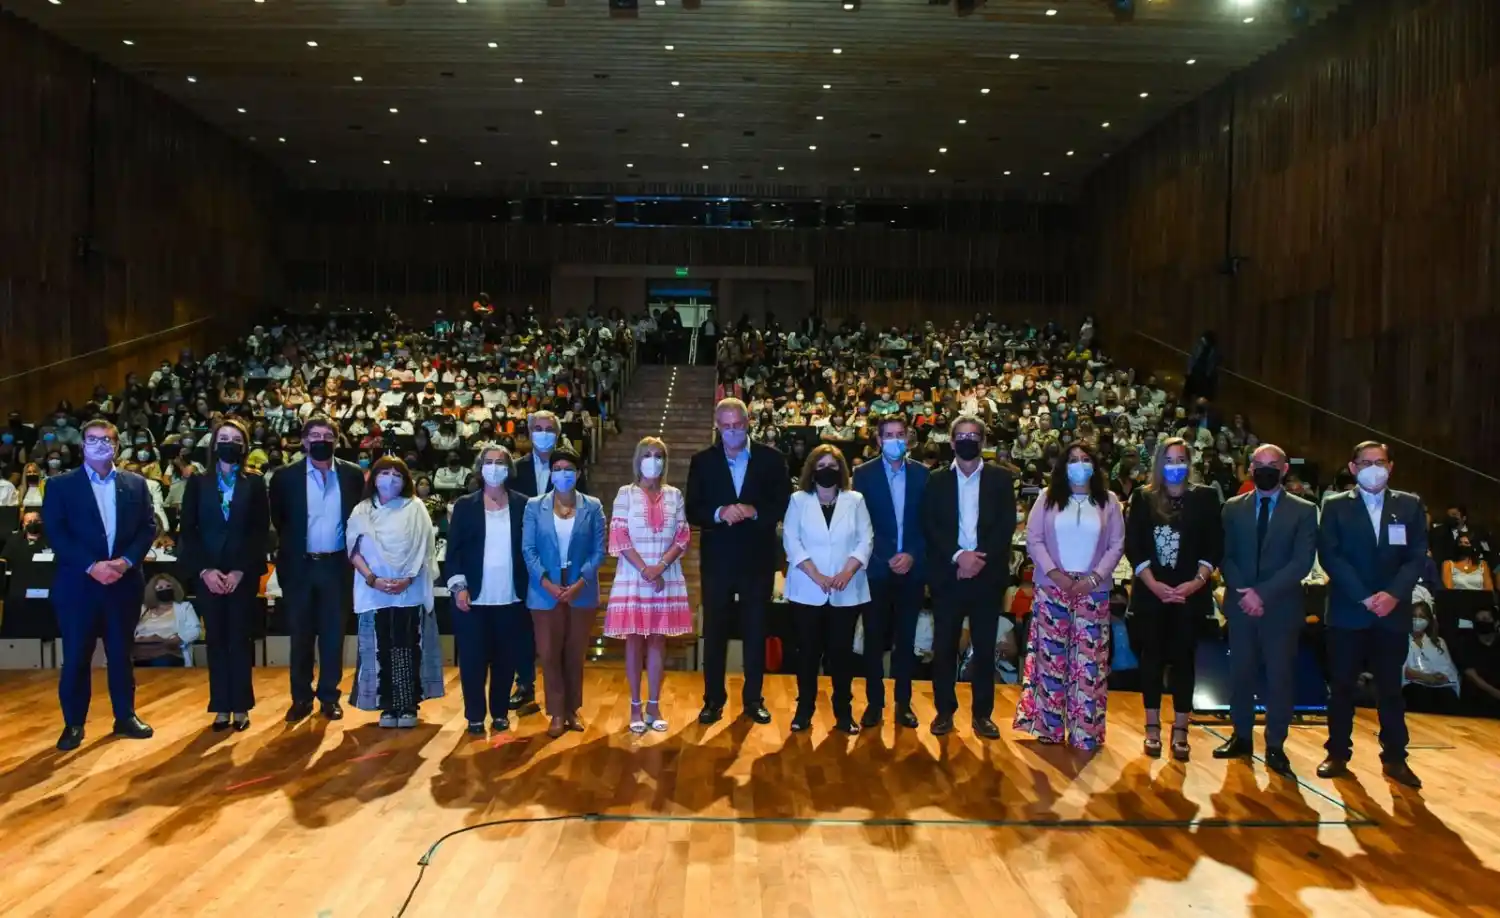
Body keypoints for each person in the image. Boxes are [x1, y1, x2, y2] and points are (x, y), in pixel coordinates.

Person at [1316, 441, 1428, 788]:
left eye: (1379, 462)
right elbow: (1331, 556)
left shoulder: (1409, 505)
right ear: (1353, 468)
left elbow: (1416, 555)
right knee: (1342, 687)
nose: (1373, 467)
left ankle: (1395, 757)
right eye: (1366, 462)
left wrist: (1393, 595)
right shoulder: (1335, 506)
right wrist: (1365, 597)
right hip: (1350, 611)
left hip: (1391, 614)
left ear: (1390, 466)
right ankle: (1337, 752)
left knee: (1391, 690)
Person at [42, 419, 159, 751]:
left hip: (122, 582)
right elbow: (57, 532)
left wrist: (124, 562)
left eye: (107, 440)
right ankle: (74, 724)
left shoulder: (136, 484)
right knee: (77, 655)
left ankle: (125, 716)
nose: (100, 445)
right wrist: (92, 566)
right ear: (82, 446)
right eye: (93, 440)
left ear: (117, 446)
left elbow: (147, 528)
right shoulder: (60, 485)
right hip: (79, 585)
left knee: (121, 654)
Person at [685, 398, 791, 726]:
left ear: (748, 423)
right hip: (717, 561)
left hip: (757, 560)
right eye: (726, 426)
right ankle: (713, 700)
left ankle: (753, 699)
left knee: (755, 632)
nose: (732, 431)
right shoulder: (702, 461)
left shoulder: (771, 459)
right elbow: (693, 509)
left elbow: (782, 502)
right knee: (714, 631)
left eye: (738, 425)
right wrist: (719, 513)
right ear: (717, 425)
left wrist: (754, 510)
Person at [1014, 442, 1126, 750]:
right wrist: (1055, 574)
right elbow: (1034, 539)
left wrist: (1093, 577)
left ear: (1095, 465)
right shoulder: (1046, 499)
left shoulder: (1109, 501)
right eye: (1073, 459)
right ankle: (1049, 727)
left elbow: (1116, 545)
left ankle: (1085, 731)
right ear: (1063, 466)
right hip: (1052, 588)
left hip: (1094, 591)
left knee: (1089, 662)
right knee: (1052, 660)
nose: (1079, 464)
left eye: (1085, 459)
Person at [1214, 443, 1317, 776]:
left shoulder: (1303, 510)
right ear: (1250, 468)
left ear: (1285, 468)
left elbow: (1301, 562)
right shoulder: (1232, 507)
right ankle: (1241, 736)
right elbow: (1224, 555)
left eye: (1272, 463)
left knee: (1279, 679)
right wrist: (1246, 591)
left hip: (1281, 607)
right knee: (1240, 674)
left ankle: (1275, 745)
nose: (1265, 469)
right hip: (1241, 605)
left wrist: (1262, 593)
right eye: (1259, 463)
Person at [1125, 437, 1222, 760]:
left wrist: (1195, 583)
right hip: (1152, 595)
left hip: (1189, 596)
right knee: (1151, 660)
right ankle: (1151, 727)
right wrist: (1154, 584)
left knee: (1184, 662)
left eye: (1181, 459)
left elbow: (1214, 546)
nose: (1175, 466)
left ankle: (1181, 729)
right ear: (1158, 463)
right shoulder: (1143, 497)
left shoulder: (1205, 497)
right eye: (1169, 460)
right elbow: (1134, 545)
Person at [921, 416, 1017, 738]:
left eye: (974, 435)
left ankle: (982, 715)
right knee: (945, 647)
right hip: (948, 576)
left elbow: (1005, 526)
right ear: (951, 442)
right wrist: (958, 556)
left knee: (985, 647)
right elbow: (931, 526)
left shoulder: (1001, 479)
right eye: (961, 436)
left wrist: (977, 560)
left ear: (983, 441)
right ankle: (944, 712)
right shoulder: (935, 480)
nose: (967, 440)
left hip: (987, 577)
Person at [268, 417, 365, 723]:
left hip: (337, 566)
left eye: (327, 435)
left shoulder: (351, 475)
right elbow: (279, 521)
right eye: (314, 435)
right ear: (304, 441)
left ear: (336, 441)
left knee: (333, 635)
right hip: (299, 566)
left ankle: (329, 696)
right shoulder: (285, 477)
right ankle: (300, 697)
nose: (321, 440)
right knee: (301, 635)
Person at [177, 419, 270, 731]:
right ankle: (220, 707)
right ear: (214, 444)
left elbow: (260, 531)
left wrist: (242, 570)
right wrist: (204, 570)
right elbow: (188, 532)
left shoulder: (254, 483)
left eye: (235, 438)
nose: (229, 443)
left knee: (239, 641)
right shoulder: (198, 483)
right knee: (216, 640)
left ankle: (241, 706)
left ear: (243, 446)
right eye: (223, 437)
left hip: (241, 577)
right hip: (209, 577)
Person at [782, 445, 874, 734]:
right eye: (821, 465)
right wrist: (816, 574)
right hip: (807, 589)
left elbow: (865, 540)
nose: (827, 471)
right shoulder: (798, 500)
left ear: (842, 470)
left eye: (833, 466)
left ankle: (843, 712)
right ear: (811, 469)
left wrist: (847, 571)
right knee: (807, 653)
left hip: (846, 590)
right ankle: (804, 708)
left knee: (841, 655)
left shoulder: (855, 500)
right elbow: (791, 541)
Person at [604, 437, 693, 734]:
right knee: (634, 641)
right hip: (633, 576)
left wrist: (660, 567)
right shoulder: (625, 494)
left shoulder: (674, 495)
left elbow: (683, 536)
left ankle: (654, 705)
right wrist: (645, 569)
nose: (653, 460)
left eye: (658, 455)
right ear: (637, 459)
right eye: (647, 455)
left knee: (657, 641)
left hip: (665, 576)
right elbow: (618, 536)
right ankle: (634, 705)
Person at [347, 457, 444, 727]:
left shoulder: (415, 508)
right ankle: (387, 706)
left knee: (407, 644)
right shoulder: (361, 510)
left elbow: (424, 547)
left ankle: (408, 705)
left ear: (405, 480)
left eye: (397, 474)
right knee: (381, 646)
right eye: (384, 472)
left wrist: (408, 578)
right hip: (374, 590)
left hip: (407, 590)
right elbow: (353, 550)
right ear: (374, 477)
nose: (390, 479)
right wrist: (372, 579)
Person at [443, 444, 530, 734]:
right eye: (489, 462)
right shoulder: (465, 505)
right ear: (480, 468)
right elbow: (453, 552)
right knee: (472, 660)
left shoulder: (523, 504)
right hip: (473, 598)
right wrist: (458, 588)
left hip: (512, 596)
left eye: (500, 462)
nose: (494, 467)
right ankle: (475, 715)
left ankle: (501, 712)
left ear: (509, 468)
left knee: (506, 660)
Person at [521, 447, 606, 738]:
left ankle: (571, 709)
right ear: (551, 473)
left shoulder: (592, 506)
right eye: (557, 469)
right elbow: (528, 549)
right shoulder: (534, 505)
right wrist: (546, 583)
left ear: (578, 473)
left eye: (568, 469)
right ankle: (556, 711)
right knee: (548, 653)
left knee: (574, 653)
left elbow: (598, 551)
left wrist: (581, 581)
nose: (563, 474)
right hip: (545, 590)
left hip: (581, 589)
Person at [506, 409, 587, 714]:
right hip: (523, 557)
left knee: (561, 634)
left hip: (562, 564)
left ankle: (564, 700)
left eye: (548, 428)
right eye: (537, 428)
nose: (543, 433)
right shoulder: (514, 469)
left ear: (557, 433)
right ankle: (525, 685)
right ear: (529, 432)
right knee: (523, 627)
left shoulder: (571, 469)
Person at [851, 415, 929, 728]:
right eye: (889, 435)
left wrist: (911, 554)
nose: (895, 440)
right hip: (876, 570)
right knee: (873, 639)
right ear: (879, 440)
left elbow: (930, 523)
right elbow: (860, 523)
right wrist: (886, 557)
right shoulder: (863, 474)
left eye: (900, 434)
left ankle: (904, 703)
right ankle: (874, 703)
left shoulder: (924, 474)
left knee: (906, 640)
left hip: (912, 569)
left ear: (908, 439)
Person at [1402, 590, 1460, 714]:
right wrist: (1426, 677)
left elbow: (1448, 670)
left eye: (1422, 617)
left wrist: (1440, 677)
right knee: (1419, 694)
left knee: (1448, 696)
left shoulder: (1439, 642)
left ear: (1429, 620)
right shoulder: (1400, 640)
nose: (1417, 620)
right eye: (1414, 616)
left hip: (1437, 685)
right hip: (1413, 685)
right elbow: (1404, 671)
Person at [133, 573, 201, 667]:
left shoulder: (184, 607)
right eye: (160, 588)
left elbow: (195, 630)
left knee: (161, 662)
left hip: (169, 652)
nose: (165, 589)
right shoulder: (143, 609)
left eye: (168, 586)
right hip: (141, 651)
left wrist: (178, 639)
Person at [1459, 606, 1500, 718]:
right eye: (1479, 620)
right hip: (1477, 698)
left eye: (1486, 619)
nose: (1482, 623)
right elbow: (1472, 676)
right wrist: (1496, 693)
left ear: (1496, 623)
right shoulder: (1466, 644)